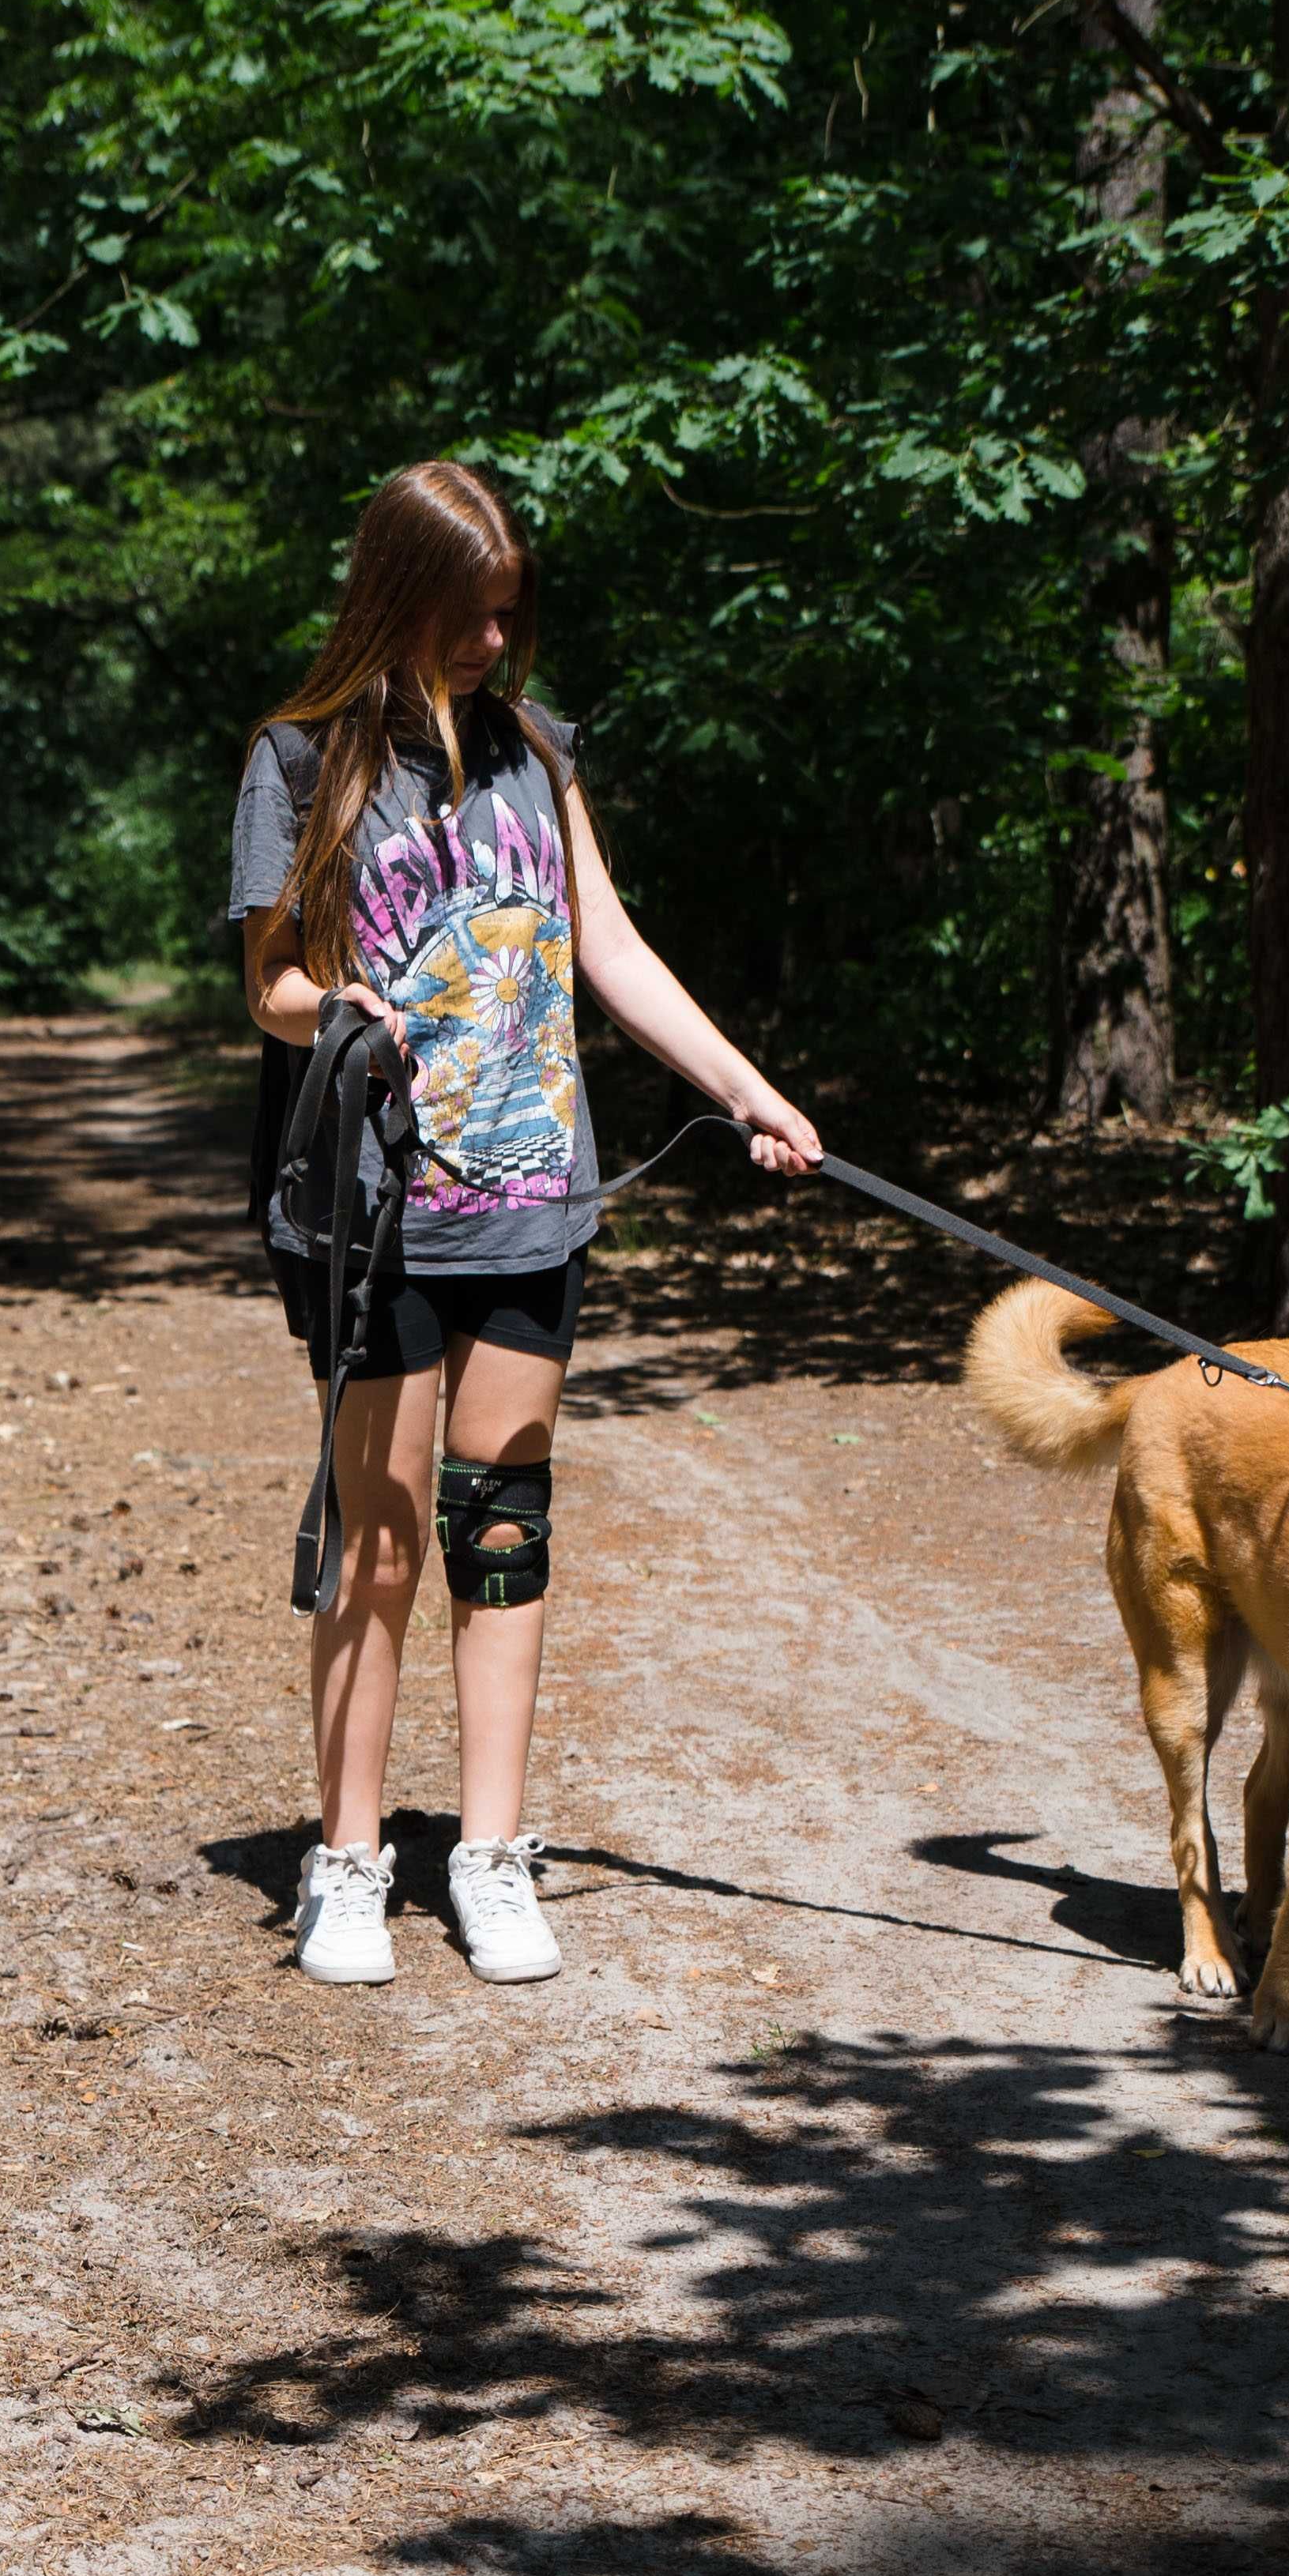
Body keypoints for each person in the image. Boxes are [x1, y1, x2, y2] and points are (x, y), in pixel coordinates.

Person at [231, 460, 821, 1989]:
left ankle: (489, 1853)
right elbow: (268, 982)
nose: (494, 644)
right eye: (466, 616)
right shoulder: (299, 765)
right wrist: (333, 1011)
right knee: (379, 1536)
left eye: (509, 617)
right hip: (371, 1210)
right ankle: (348, 1858)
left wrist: (747, 1088)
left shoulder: (535, 755)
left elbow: (606, 945)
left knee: (501, 1524)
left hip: (529, 1194)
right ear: (395, 600)